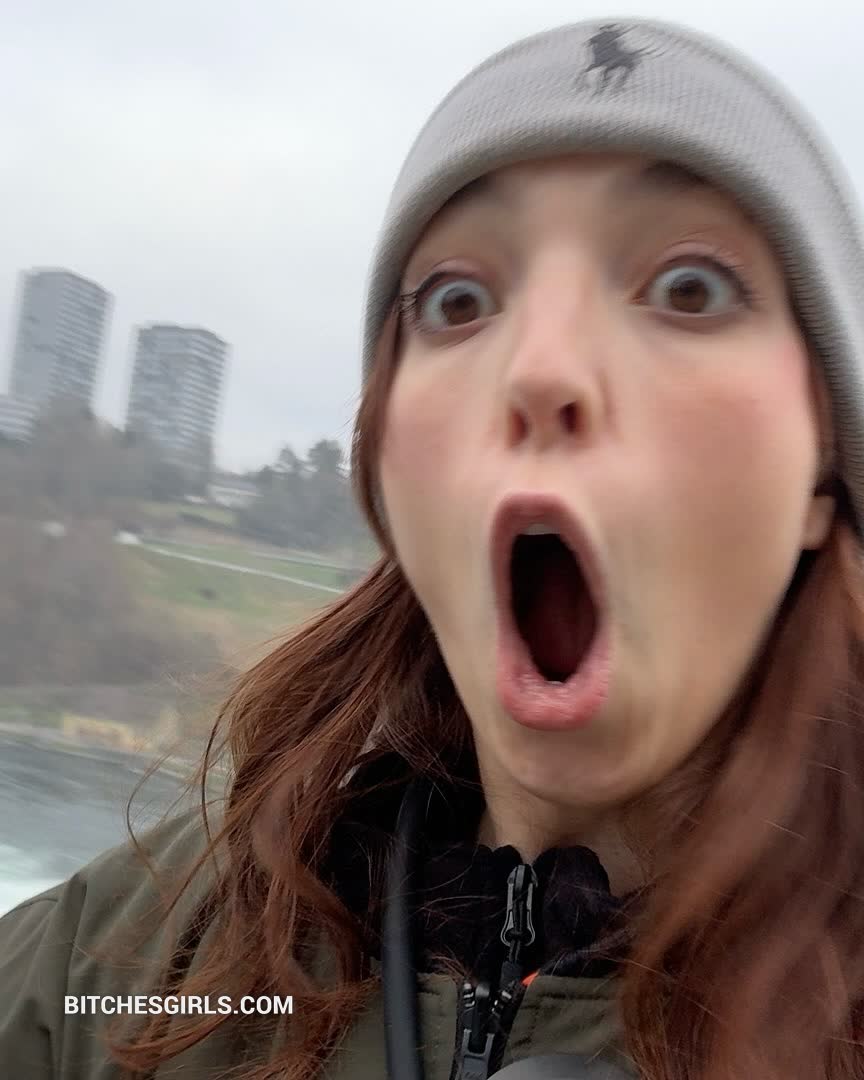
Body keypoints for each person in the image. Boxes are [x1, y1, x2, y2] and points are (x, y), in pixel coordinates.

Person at [2, 14, 864, 1080]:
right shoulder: (126, 957)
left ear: (823, 474)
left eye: (692, 288)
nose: (541, 367)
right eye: (458, 300)